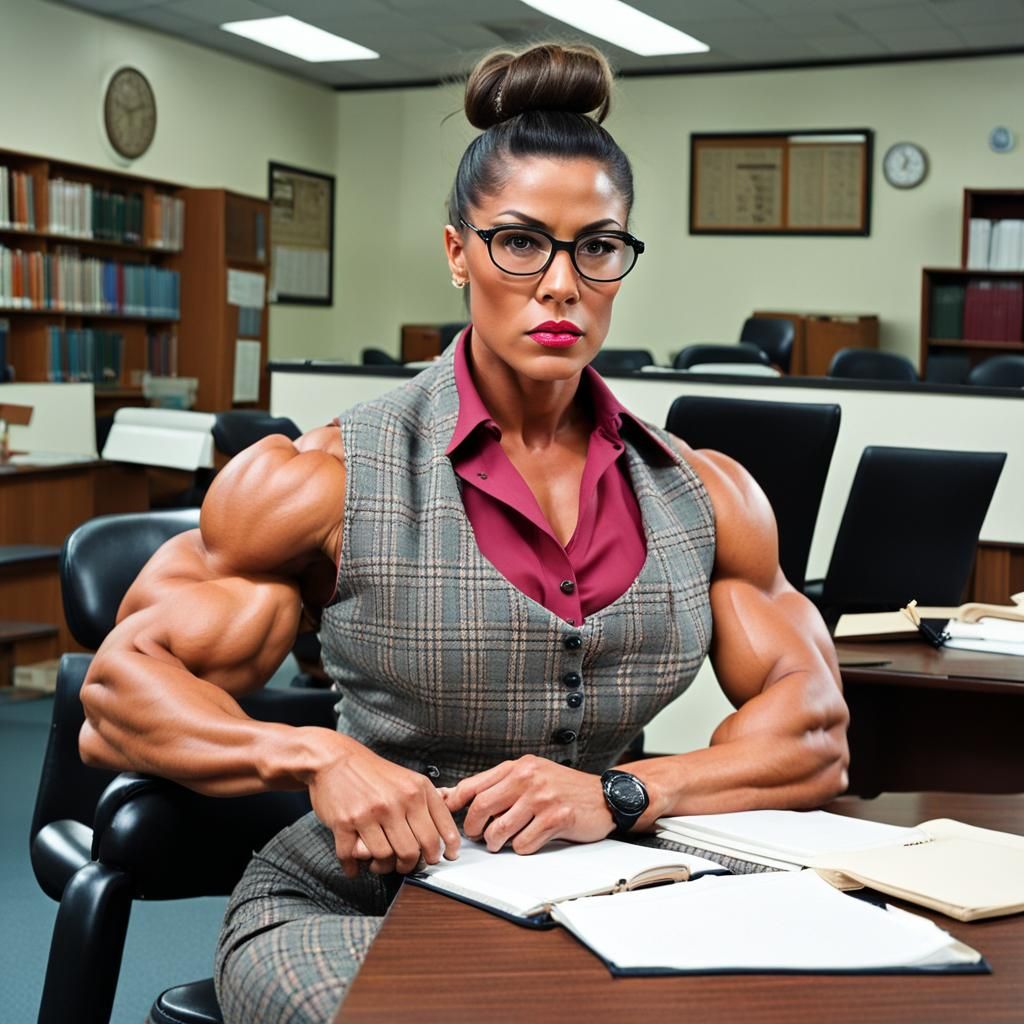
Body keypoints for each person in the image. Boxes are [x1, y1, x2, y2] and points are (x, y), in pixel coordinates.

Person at [79, 42, 849, 1024]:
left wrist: (618, 793)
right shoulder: (322, 477)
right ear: (458, 252)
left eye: (596, 247)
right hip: (360, 899)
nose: (560, 284)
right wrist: (316, 757)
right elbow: (119, 695)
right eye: (520, 242)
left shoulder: (705, 493)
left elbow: (813, 737)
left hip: (610, 892)